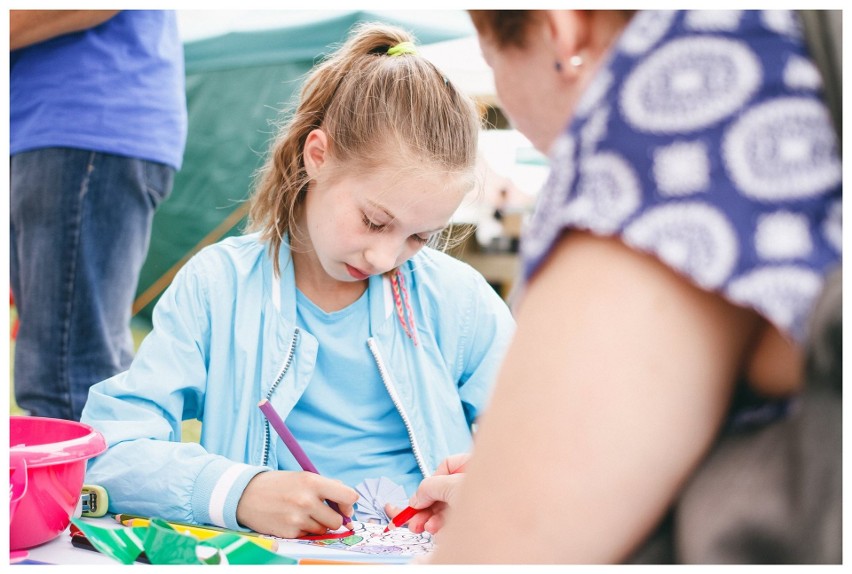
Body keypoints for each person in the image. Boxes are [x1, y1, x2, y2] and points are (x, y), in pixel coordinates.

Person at [391, 10, 842, 563]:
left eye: (493, 61)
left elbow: (505, 551)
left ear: (564, 27)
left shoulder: (673, 104)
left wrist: (500, 502)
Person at [80, 22, 515, 540]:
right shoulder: (218, 287)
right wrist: (237, 492)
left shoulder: (460, 301)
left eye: (420, 237)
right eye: (374, 221)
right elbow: (107, 452)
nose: (384, 255)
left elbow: (543, 451)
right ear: (318, 156)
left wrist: (490, 490)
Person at [10, 10, 188, 422]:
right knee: (67, 378)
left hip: (83, 123)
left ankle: (85, 487)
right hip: (52, 129)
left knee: (68, 386)